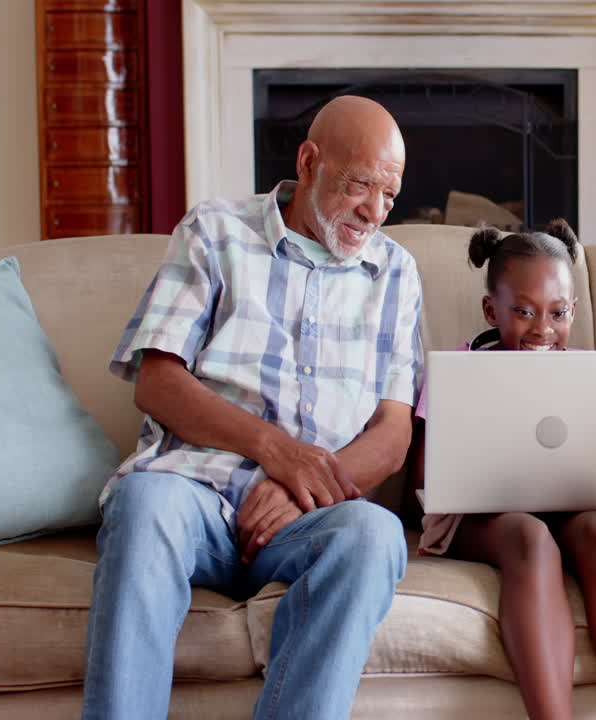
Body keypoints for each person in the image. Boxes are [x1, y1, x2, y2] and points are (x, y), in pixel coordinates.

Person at [82, 96, 422, 719]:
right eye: (360, 185)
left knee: (375, 533)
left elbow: (394, 433)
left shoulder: (395, 273)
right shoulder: (215, 231)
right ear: (310, 161)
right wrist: (277, 451)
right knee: (142, 500)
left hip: (307, 517)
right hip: (194, 496)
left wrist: (303, 485)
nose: (374, 211)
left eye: (390, 195)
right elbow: (157, 382)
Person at [409, 220, 596, 720]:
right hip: (482, 517)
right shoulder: (459, 370)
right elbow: (425, 480)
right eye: (524, 312)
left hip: (570, 507)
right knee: (529, 537)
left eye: (558, 313)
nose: (542, 329)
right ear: (492, 309)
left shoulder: (584, 373)